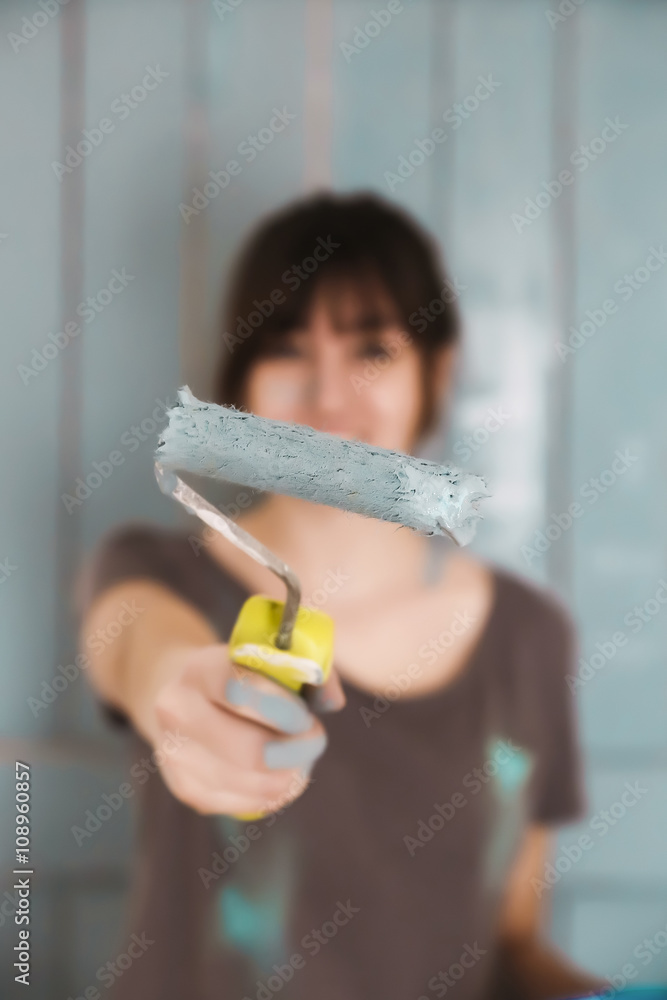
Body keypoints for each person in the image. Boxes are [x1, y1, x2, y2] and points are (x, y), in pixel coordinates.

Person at [78, 192, 604, 1000]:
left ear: (436, 371)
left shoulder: (527, 636)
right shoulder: (157, 572)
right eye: (286, 349)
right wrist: (173, 688)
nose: (327, 397)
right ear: (241, 385)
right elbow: (136, 643)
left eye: (371, 350)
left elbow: (511, 942)